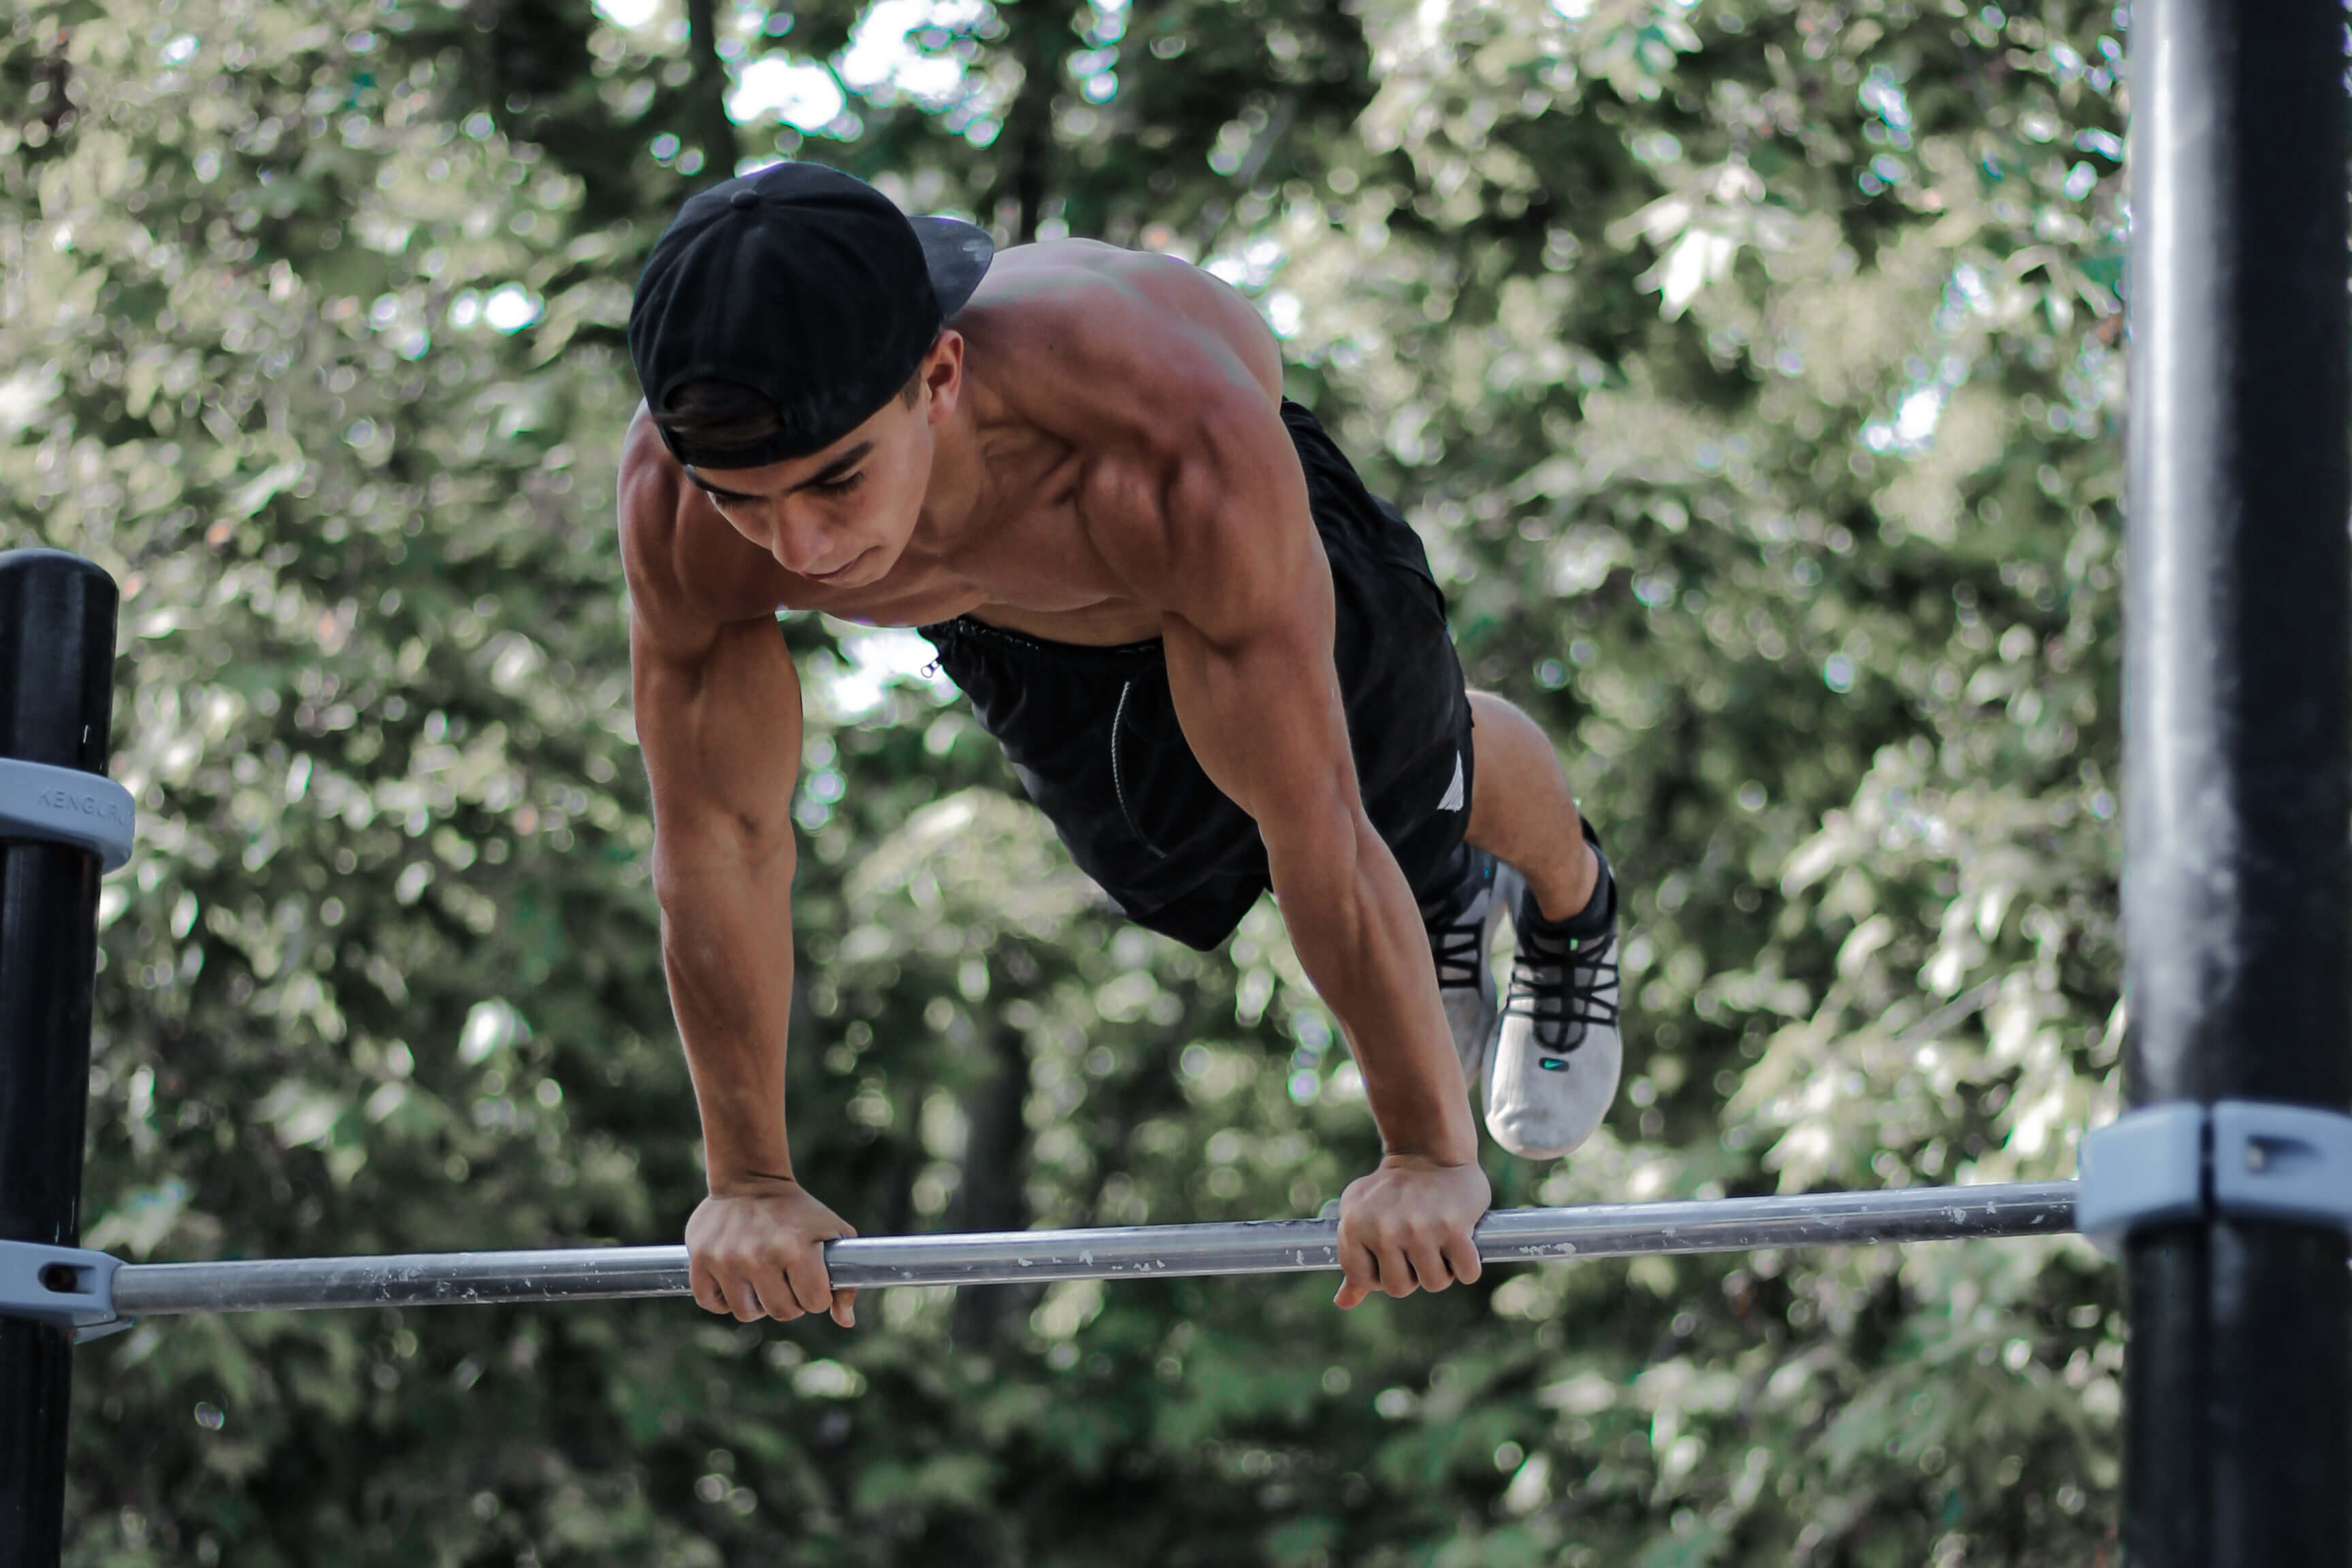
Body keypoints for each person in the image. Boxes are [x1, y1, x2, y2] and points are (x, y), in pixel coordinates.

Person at [617, 161, 1623, 1330]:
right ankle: (1440, 883)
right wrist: (749, 1182)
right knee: (1174, 873)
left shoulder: (1160, 436)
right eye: (747, 500)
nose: (797, 546)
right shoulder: (682, 509)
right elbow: (721, 838)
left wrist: (1424, 1156)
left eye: (838, 480)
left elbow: (1318, 818)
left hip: (1218, 542)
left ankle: (1567, 898)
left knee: (1398, 788)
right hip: (1020, 626)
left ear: (938, 376)